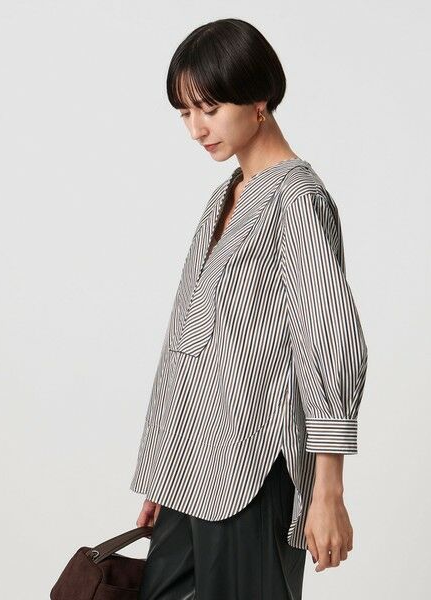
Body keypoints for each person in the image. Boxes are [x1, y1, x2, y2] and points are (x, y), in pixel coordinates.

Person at [131, 18, 369, 600]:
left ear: (258, 99)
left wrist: (328, 490)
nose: (196, 128)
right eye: (185, 113)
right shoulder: (224, 196)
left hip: (253, 471)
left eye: (208, 108)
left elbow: (329, 341)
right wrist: (164, 471)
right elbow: (185, 342)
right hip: (190, 469)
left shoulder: (297, 198)